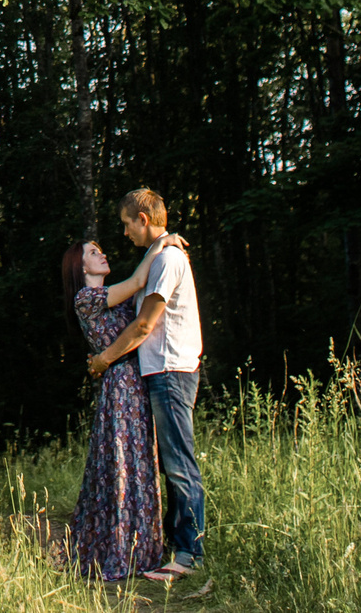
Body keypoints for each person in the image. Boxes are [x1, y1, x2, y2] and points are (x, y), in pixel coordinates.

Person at [89, 187, 205, 586]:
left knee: (178, 463)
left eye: (126, 224)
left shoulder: (169, 259)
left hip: (171, 371)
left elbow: (144, 325)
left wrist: (105, 359)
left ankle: (190, 553)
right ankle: (178, 547)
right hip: (159, 372)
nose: (124, 233)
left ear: (143, 219)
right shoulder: (158, 256)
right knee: (170, 462)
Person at [60, 227, 183, 586]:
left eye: (100, 250)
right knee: (122, 463)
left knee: (140, 460)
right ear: (80, 266)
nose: (101, 254)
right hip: (120, 386)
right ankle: (119, 549)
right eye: (93, 252)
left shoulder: (107, 296)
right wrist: (161, 242)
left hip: (135, 379)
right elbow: (137, 280)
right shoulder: (87, 297)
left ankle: (143, 548)